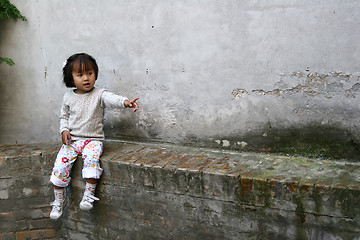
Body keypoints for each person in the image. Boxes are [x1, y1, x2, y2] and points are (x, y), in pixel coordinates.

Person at [49, 53, 139, 220]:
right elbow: (64, 117)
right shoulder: (68, 97)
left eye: (89, 73)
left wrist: (126, 102)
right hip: (73, 141)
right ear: (71, 77)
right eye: (80, 75)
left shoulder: (99, 94)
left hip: (93, 140)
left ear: (95, 74)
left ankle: (89, 194)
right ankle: (59, 200)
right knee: (60, 167)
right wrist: (64, 131)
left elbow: (112, 99)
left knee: (91, 161)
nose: (86, 78)